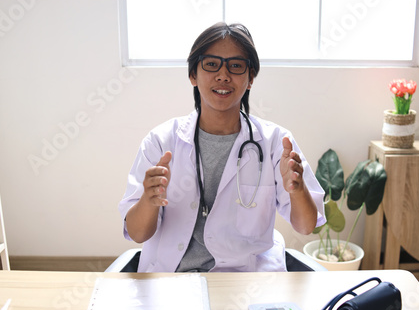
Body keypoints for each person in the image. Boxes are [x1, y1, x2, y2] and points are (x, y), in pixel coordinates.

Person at [118, 22, 326, 272]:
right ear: (193, 75)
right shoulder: (161, 142)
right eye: (211, 64)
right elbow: (138, 233)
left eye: (236, 66)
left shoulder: (275, 143)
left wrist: (297, 188)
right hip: (172, 279)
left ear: (250, 78)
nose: (223, 75)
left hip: (245, 282)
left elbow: (306, 226)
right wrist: (148, 199)